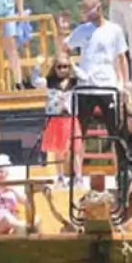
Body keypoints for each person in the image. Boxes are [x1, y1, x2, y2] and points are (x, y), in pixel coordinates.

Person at [66, 0, 128, 137]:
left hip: (107, 87)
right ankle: (76, 159)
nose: (87, 14)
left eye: (88, 10)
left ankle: (120, 158)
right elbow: (65, 47)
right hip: (85, 88)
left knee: (116, 132)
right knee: (79, 133)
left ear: (99, 8)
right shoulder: (82, 30)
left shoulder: (114, 30)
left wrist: (124, 84)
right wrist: (73, 69)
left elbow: (121, 57)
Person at [41, 54, 83, 187]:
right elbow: (35, 81)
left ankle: (78, 177)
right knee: (58, 150)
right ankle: (60, 177)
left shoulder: (74, 81)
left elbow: (86, 78)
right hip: (56, 118)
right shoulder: (49, 81)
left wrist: (74, 66)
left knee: (75, 150)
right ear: (55, 68)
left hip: (70, 118)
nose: (62, 70)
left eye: (65, 66)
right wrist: (39, 66)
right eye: (59, 67)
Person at [0, 154, 28, 235]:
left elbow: (26, 202)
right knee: (6, 219)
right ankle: (23, 227)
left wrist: (12, 189)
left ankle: (21, 227)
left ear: (6, 173)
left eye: (1, 171)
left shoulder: (13, 188)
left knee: (10, 220)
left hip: (13, 223)